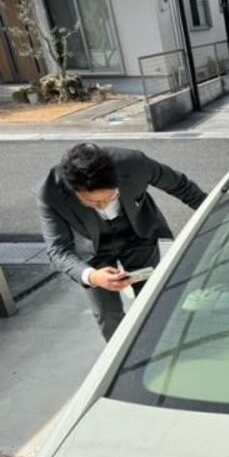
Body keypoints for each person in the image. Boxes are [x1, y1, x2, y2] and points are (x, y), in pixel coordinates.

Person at [37, 143, 207, 341]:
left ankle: (157, 343)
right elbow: (57, 250)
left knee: (152, 298)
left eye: (110, 198)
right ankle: (121, 353)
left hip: (138, 235)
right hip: (94, 250)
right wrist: (93, 276)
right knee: (107, 315)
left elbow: (181, 186)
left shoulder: (135, 164)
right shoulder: (50, 193)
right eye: (92, 202)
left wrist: (222, 211)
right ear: (73, 191)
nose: (103, 207)